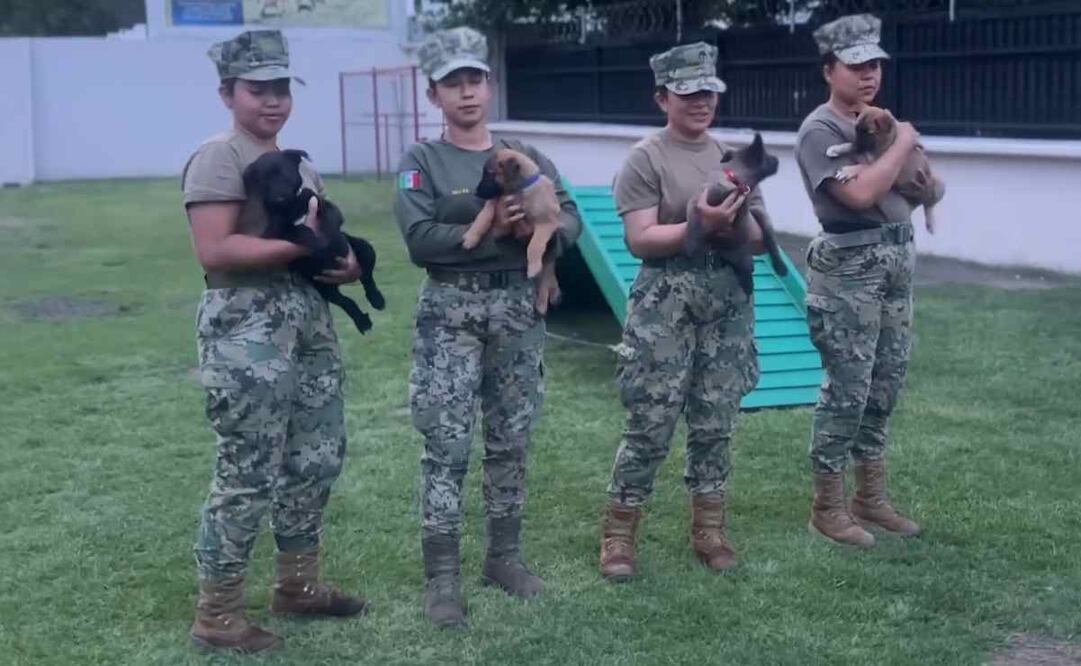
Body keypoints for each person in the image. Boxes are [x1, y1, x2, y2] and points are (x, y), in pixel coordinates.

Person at [181, 29, 367, 653]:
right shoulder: (220, 157)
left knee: (314, 457)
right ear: (227, 93)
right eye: (257, 90)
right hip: (245, 325)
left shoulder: (299, 159)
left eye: (281, 89)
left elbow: (316, 234)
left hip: (305, 318)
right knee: (247, 467)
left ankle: (298, 586)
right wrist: (302, 248)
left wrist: (345, 265)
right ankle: (218, 611)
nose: (272, 101)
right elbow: (216, 248)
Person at [394, 26, 583, 628]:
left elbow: (572, 218)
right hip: (450, 313)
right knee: (445, 445)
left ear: (489, 84)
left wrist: (541, 227)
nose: (467, 92)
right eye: (454, 83)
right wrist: (493, 231)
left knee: (512, 440)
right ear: (434, 94)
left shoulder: (525, 155)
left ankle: (504, 557)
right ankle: (442, 577)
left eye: (475, 79)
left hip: (517, 312)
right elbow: (421, 241)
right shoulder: (422, 160)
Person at [597, 42, 769, 581]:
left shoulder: (732, 156)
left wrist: (732, 224)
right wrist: (699, 225)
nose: (701, 102)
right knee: (651, 417)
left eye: (708, 91)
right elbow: (640, 239)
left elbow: (761, 238)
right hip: (665, 301)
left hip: (726, 301)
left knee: (716, 417)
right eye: (688, 92)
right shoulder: (645, 158)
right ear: (662, 97)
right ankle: (619, 534)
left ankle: (709, 529)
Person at [795, 13, 923, 548]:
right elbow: (859, 196)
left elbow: (916, 189)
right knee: (847, 387)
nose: (869, 75)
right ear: (829, 70)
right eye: (856, 66)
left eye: (874, 65)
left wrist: (906, 156)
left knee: (884, 383)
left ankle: (870, 498)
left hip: (895, 259)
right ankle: (827, 506)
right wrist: (906, 139)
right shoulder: (820, 129)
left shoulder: (881, 125)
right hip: (849, 268)